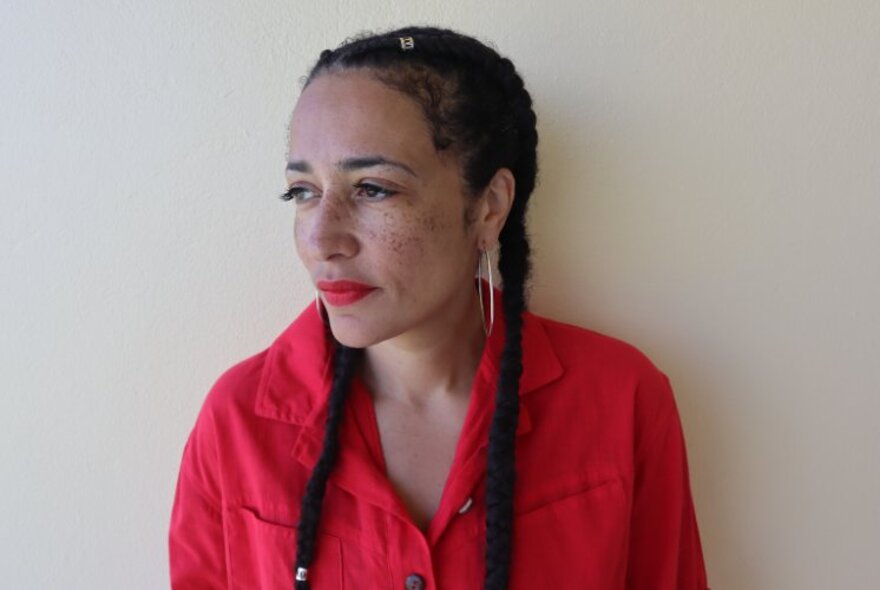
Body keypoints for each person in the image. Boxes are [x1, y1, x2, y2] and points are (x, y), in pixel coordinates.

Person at [168, 25, 710, 590]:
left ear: (488, 208)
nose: (322, 239)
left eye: (373, 188)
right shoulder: (237, 424)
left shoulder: (621, 402)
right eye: (302, 192)